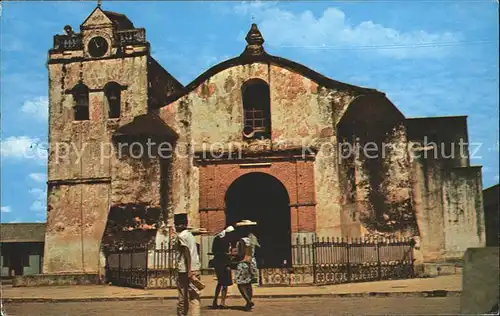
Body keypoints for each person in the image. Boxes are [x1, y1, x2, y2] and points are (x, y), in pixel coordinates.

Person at [174, 213, 201, 316]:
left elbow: (187, 254)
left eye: (176, 224)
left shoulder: (182, 236)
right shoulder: (190, 235)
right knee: (194, 297)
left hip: (185, 270)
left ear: (180, 225)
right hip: (195, 268)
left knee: (182, 297)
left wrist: (189, 270)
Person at [234, 220, 260, 311]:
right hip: (252, 261)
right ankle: (249, 301)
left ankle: (248, 300)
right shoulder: (252, 238)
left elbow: (241, 253)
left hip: (244, 262)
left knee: (240, 283)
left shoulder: (242, 240)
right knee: (248, 284)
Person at [211, 226, 235, 309]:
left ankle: (221, 302)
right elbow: (214, 251)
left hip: (226, 262)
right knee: (221, 282)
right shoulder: (218, 239)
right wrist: (225, 254)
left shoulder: (227, 239)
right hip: (220, 262)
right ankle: (216, 301)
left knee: (225, 283)